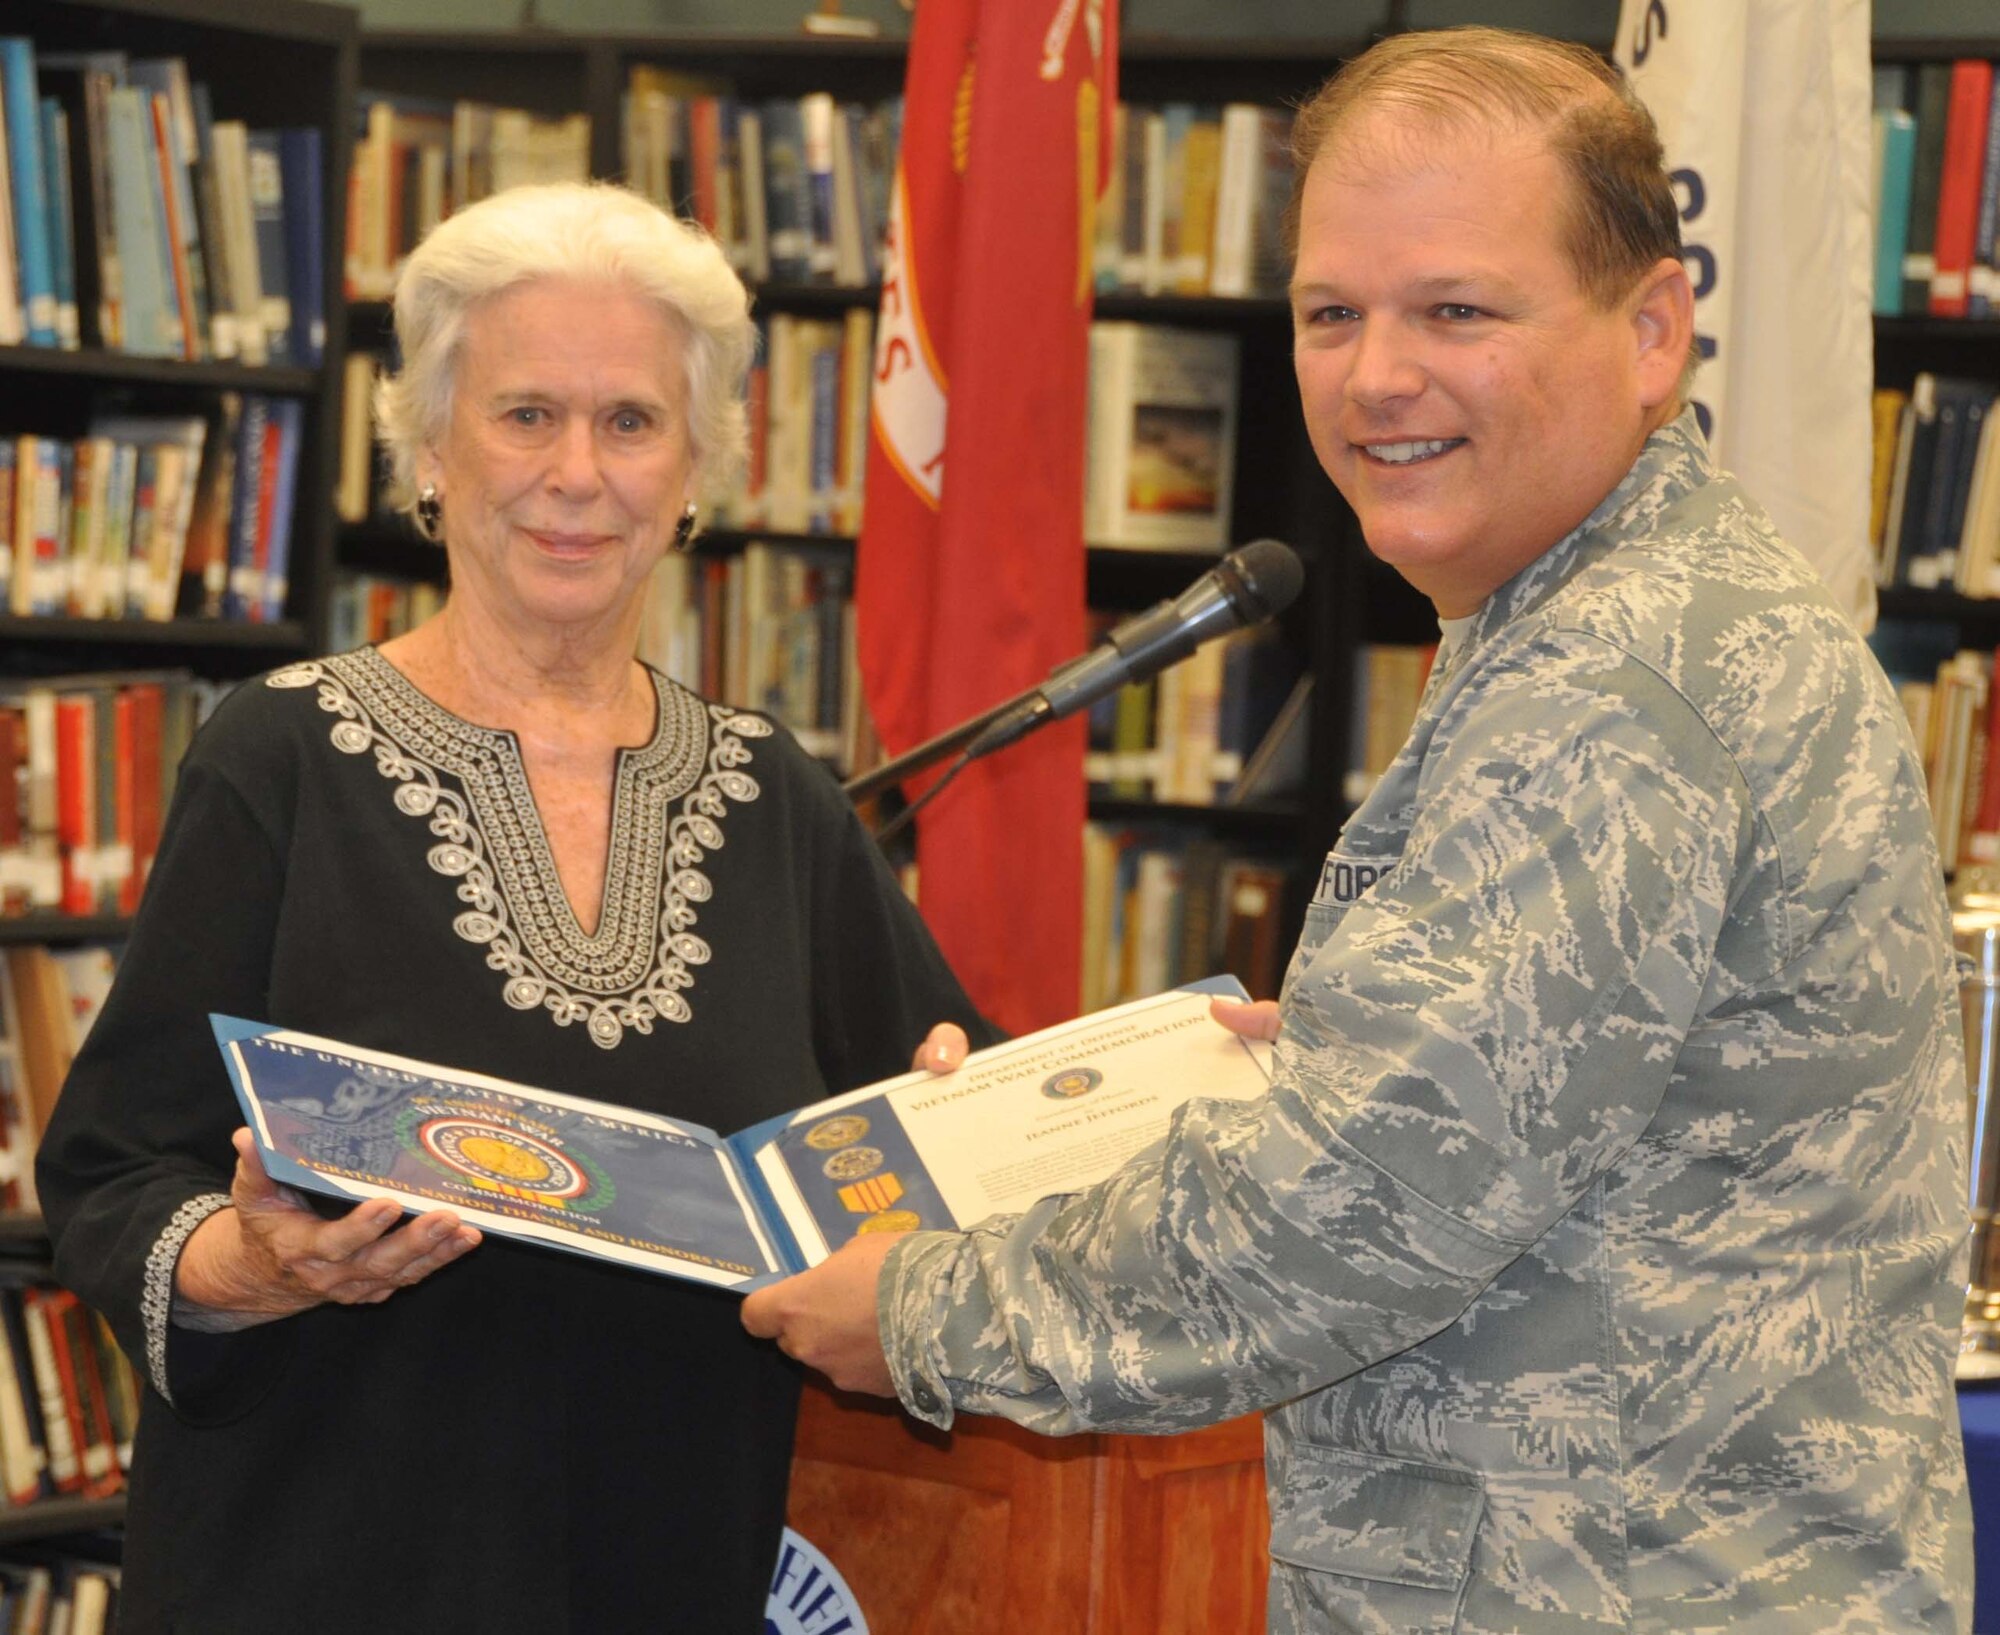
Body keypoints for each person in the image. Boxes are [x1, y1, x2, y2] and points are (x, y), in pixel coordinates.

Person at [743, 28, 1972, 1633]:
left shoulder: (1613, 686)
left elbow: (1344, 1218)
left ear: (1655, 328)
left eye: (1457, 309)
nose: (1375, 374)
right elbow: (1518, 1125)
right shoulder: (1612, 611)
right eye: (1333, 313)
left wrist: (917, 1308)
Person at [36, 182, 989, 1635]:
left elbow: (939, 1104)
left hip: (669, 1567)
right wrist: (253, 1263)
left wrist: (948, 1132)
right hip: (315, 1571)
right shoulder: (278, 759)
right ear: (428, 447)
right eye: (525, 414)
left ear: (694, 473)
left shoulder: (771, 795)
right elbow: (110, 1175)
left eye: (630, 423)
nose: (577, 473)